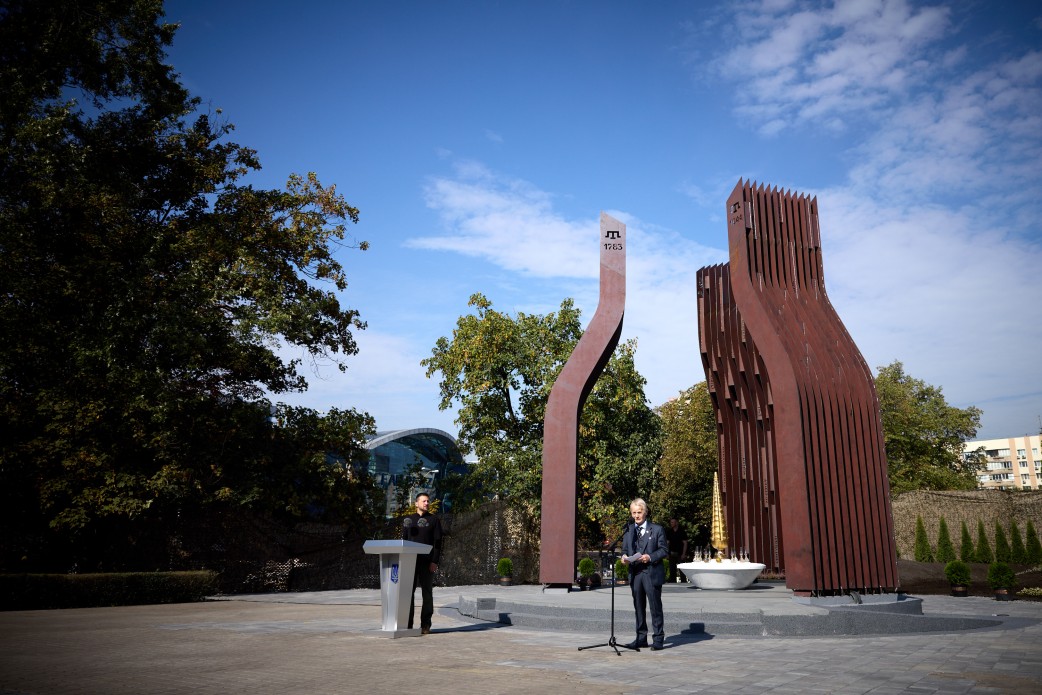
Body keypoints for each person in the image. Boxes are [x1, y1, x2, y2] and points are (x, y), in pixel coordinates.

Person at [620, 497, 668, 650]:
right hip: (635, 573)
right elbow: (625, 550)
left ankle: (658, 639)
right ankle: (641, 638)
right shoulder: (629, 531)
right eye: (634, 513)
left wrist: (650, 557)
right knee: (638, 607)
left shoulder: (657, 529)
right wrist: (624, 557)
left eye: (639, 512)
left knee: (655, 607)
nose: (636, 516)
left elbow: (663, 550)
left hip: (651, 572)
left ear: (645, 512)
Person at [401, 491, 443, 634]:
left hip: (427, 562)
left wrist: (434, 561)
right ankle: (407, 625)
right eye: (424, 501)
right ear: (416, 503)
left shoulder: (434, 520)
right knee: (408, 593)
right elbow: (403, 542)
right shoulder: (409, 520)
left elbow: (438, 543)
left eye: (427, 501)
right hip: (410, 562)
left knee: (427, 593)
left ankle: (425, 625)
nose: (426, 503)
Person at [664, 517, 689, 583]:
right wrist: (667, 553)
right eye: (671, 522)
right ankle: (673, 584)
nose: (671, 523)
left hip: (680, 554)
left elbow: (685, 543)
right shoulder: (669, 532)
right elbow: (667, 543)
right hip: (672, 553)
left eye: (673, 522)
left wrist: (684, 554)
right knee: (672, 570)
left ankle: (684, 583)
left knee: (682, 570)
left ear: (676, 523)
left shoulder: (682, 531)